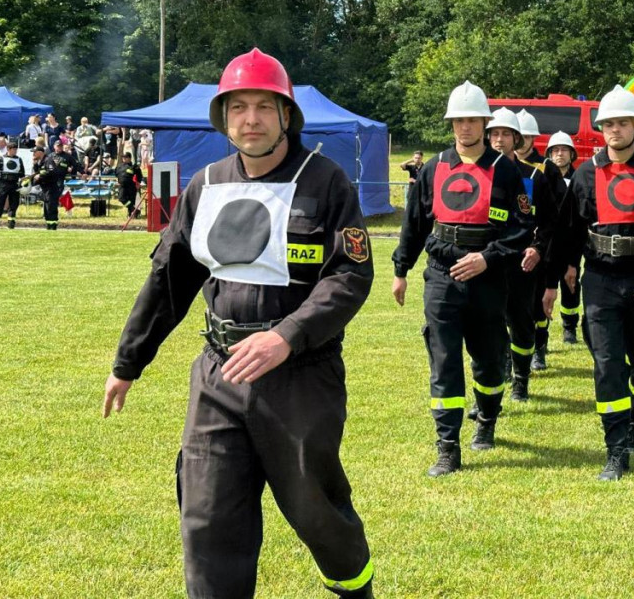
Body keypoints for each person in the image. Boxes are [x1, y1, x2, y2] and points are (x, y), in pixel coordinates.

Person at [102, 47, 376, 598]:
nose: (250, 120)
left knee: (317, 513)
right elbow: (170, 280)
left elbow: (348, 276)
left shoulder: (326, 183)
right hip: (218, 377)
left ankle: (355, 589)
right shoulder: (204, 186)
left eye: (263, 107)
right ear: (223, 118)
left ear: (285, 116)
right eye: (238, 108)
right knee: (206, 515)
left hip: (301, 379)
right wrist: (128, 361)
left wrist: (287, 336)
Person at [543, 85, 634, 481]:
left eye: (622, 123)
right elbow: (567, 231)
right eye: (608, 124)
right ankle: (615, 450)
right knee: (607, 365)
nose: (615, 130)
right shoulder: (586, 173)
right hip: (601, 280)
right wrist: (557, 277)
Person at [391, 80, 529, 477]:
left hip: (487, 279)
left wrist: (487, 259)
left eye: (472, 120)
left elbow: (522, 228)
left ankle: (486, 421)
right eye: (458, 121)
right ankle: (447, 446)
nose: (465, 127)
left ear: (485, 122)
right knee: (445, 360)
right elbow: (414, 224)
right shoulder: (434, 167)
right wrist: (401, 270)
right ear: (451, 124)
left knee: (487, 360)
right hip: (440, 275)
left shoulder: (506, 172)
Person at [485, 107, 557, 401]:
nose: (499, 140)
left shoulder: (534, 176)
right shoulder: (480, 174)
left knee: (521, 323)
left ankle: (521, 379)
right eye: (495, 134)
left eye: (506, 134)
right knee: (490, 322)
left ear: (516, 139)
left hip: (523, 265)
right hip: (487, 262)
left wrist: (537, 249)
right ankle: (500, 368)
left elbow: (550, 222)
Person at [513, 108, 564, 369]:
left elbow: (556, 213)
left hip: (542, 246)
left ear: (532, 139)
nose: (520, 141)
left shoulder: (547, 170)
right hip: (513, 249)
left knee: (538, 305)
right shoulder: (500, 167)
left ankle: (539, 349)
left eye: (525, 136)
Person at [544, 130, 582, 345]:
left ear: (572, 154)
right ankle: (542, 331)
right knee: (543, 289)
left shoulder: (579, 178)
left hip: (570, 243)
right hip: (547, 244)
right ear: (549, 154)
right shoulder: (541, 178)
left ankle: (569, 327)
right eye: (556, 150)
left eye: (564, 150)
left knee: (571, 285)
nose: (560, 154)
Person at [31, 139, 80, 230]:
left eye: (34, 152)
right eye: (58, 146)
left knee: (52, 202)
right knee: (48, 203)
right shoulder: (47, 157)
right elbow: (38, 172)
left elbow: (51, 171)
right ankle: (49, 222)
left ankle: (53, 223)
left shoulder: (54, 158)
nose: (33, 154)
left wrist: (72, 171)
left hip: (55, 183)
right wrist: (35, 166)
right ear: (54, 147)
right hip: (46, 185)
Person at [0, 138, 26, 229]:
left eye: (16, 149)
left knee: (14, 204)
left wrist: (23, 182)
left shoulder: (19, 159)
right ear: (8, 149)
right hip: (3, 184)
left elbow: (22, 173)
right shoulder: (0, 159)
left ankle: (11, 223)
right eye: (14, 149)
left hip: (14, 184)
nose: (15, 151)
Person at [114, 151, 144, 217]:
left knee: (132, 200)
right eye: (123, 157)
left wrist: (138, 183)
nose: (124, 158)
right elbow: (116, 174)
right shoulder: (119, 166)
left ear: (130, 158)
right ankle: (133, 209)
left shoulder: (134, 166)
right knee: (121, 198)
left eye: (126, 157)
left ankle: (132, 214)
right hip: (122, 186)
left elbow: (139, 175)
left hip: (131, 186)